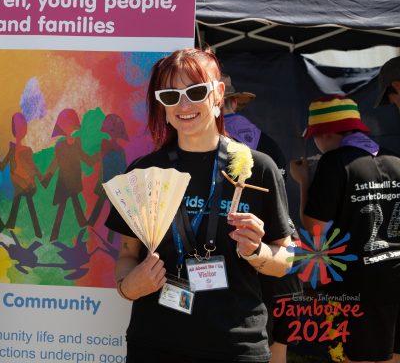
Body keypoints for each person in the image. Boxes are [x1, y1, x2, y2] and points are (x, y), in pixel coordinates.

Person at [106, 48, 293, 363]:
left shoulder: (256, 167)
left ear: (218, 94)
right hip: (155, 343)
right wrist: (129, 286)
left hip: (236, 346)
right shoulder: (143, 173)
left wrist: (256, 252)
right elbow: (127, 254)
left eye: (195, 92)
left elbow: (285, 258)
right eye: (170, 95)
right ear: (160, 104)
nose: (184, 104)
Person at [290, 96, 400, 363]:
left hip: (356, 284)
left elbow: (316, 226)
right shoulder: (395, 160)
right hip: (396, 276)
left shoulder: (335, 162)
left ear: (325, 133)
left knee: (352, 356)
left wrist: (303, 183)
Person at [222, 72, 302, 363]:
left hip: (235, 259)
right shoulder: (268, 144)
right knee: (276, 345)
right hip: (277, 249)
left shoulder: (211, 146)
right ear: (235, 103)